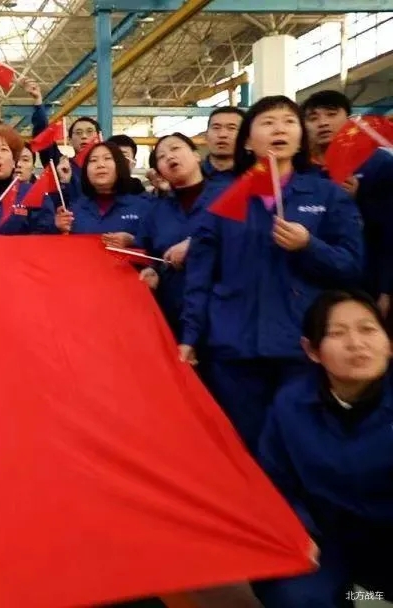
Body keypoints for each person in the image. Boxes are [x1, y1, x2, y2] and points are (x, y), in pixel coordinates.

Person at [179, 95, 366, 452]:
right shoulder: (222, 199)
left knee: (302, 446)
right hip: (234, 346)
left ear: (300, 138)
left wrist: (309, 245)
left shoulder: (326, 195)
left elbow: (352, 267)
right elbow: (200, 276)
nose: (279, 129)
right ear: (248, 142)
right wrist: (190, 335)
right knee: (241, 447)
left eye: (288, 122)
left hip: (302, 345)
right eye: (267, 123)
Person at [251, 290, 393, 607]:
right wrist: (298, 529)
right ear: (312, 350)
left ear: (389, 343)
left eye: (368, 329)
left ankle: (369, 599)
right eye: (337, 333)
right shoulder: (290, 406)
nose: (356, 343)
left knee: (374, 598)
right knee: (295, 593)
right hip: (329, 544)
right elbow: (274, 481)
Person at [302, 89, 393, 318]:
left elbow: (389, 232)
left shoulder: (378, 164)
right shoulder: (300, 172)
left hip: (368, 283)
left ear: (349, 119)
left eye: (331, 114)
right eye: (313, 118)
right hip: (313, 286)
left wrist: (386, 289)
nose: (323, 123)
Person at [135, 133, 217, 338]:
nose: (169, 157)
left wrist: (195, 246)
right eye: (161, 157)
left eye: (175, 148)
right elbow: (146, 253)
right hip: (173, 317)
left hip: (224, 317)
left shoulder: (226, 197)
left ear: (197, 155)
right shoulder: (155, 211)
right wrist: (150, 270)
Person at [49, 141, 150, 246]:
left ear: (120, 165)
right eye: (93, 160)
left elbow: (157, 245)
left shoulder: (143, 207)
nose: (100, 165)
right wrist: (56, 227)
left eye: (107, 158)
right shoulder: (73, 211)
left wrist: (133, 241)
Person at [203, 107, 244, 183]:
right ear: (206, 136)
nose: (222, 134)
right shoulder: (190, 174)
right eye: (216, 128)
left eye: (231, 128)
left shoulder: (256, 176)